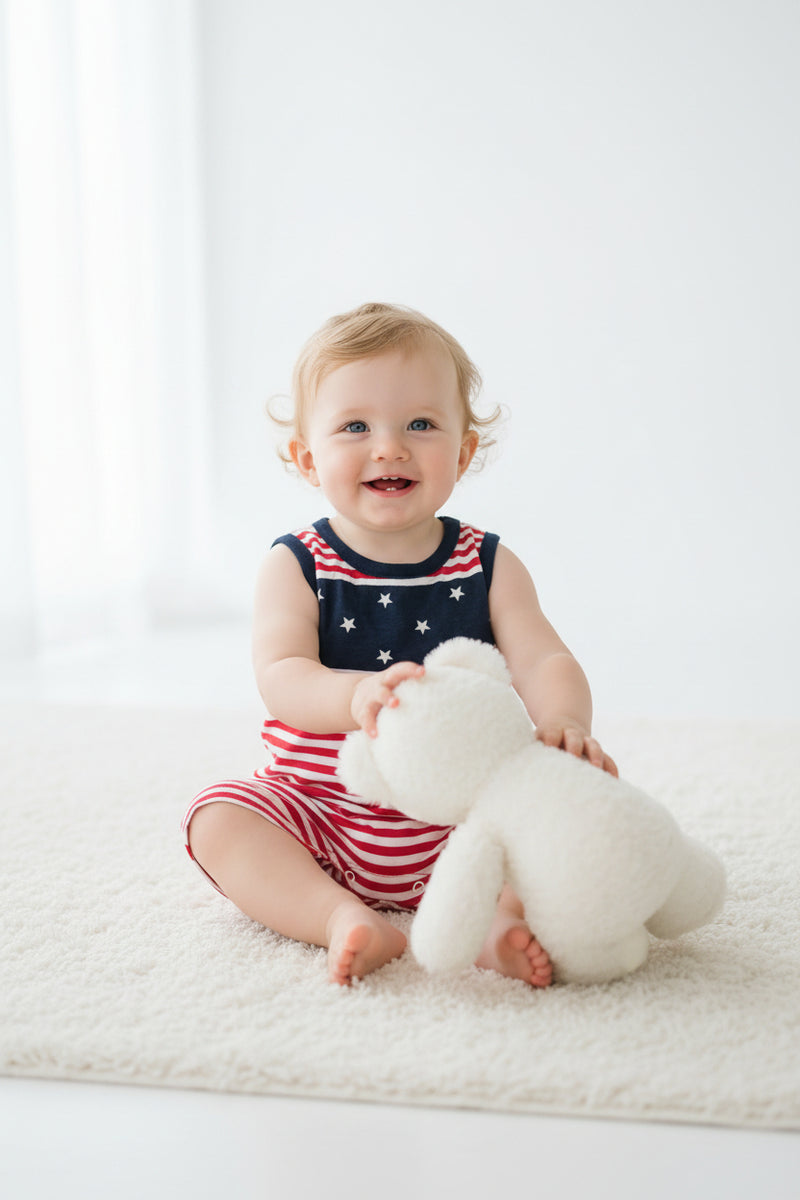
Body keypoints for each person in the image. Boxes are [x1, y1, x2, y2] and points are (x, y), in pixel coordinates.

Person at [182, 301, 618, 987]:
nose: (389, 446)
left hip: (461, 821)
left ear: (464, 452)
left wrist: (565, 722)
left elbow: (543, 657)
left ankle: (491, 924)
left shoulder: (487, 563)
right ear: (306, 458)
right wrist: (352, 692)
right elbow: (281, 672)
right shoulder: (297, 564)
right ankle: (337, 915)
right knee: (218, 819)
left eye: (421, 424)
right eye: (355, 427)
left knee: (566, 830)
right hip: (321, 810)